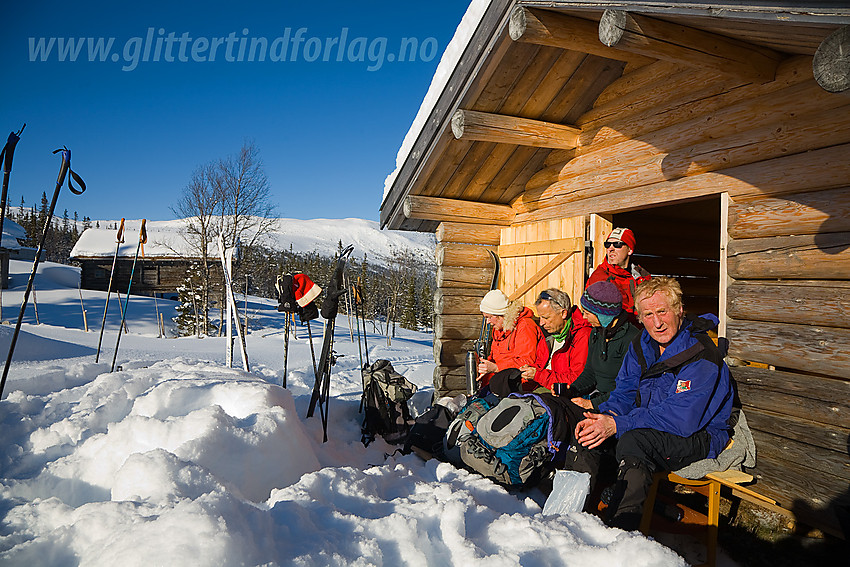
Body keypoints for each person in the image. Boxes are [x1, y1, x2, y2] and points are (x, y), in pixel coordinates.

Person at [571, 276, 734, 530]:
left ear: (679, 310)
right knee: (586, 429)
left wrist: (617, 424)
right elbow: (624, 393)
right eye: (648, 315)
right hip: (649, 424)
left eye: (662, 311)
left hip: (699, 434)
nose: (657, 323)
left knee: (634, 441)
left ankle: (622, 531)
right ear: (639, 317)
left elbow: (681, 418)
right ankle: (571, 518)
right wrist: (608, 416)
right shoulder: (641, 344)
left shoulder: (701, 355)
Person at [568, 281, 640, 411]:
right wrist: (571, 390)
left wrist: (593, 404)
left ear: (603, 315)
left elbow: (629, 388)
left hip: (619, 406)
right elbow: (590, 373)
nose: (584, 317)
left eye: (587, 313)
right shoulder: (596, 332)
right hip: (597, 398)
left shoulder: (632, 339)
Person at [518, 288, 590, 392]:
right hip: (542, 386)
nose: (541, 323)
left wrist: (537, 375)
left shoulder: (582, 335)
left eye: (546, 318)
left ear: (563, 313)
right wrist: (528, 370)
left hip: (561, 393)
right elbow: (540, 364)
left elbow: (576, 379)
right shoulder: (548, 333)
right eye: (540, 317)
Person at [476, 289, 547, 388]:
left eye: (489, 317)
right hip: (501, 381)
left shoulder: (525, 326)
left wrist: (496, 368)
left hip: (519, 383)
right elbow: (494, 357)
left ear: (500, 315)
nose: (487, 322)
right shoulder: (499, 329)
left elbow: (526, 362)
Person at [585, 227, 651, 323]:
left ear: (630, 250)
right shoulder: (601, 278)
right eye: (607, 245)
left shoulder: (642, 276)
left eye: (617, 244)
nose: (611, 249)